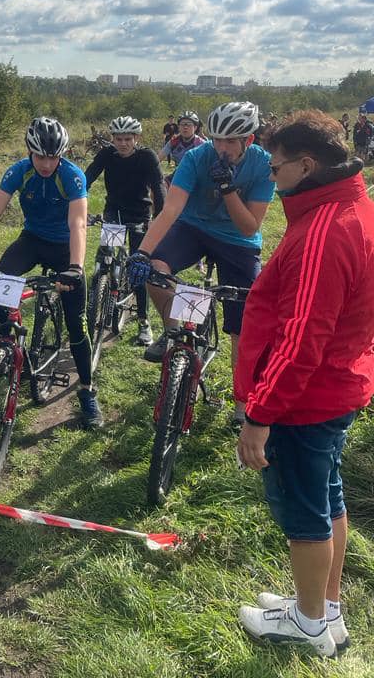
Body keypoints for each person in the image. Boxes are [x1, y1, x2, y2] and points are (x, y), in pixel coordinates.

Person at [235, 111, 374, 657]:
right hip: (336, 386)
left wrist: (259, 415)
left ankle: (309, 623)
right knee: (327, 496)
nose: (272, 178)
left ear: (307, 164)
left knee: (304, 511)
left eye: (276, 168)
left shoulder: (324, 231)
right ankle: (324, 606)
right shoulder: (352, 208)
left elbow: (301, 341)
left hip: (306, 400)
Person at [127, 102, 275, 428]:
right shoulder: (197, 157)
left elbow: (249, 226)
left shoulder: (263, 165)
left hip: (238, 240)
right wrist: (142, 253)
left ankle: (242, 404)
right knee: (154, 271)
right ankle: (173, 331)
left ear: (248, 140)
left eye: (230, 141)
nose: (221, 148)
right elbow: (171, 210)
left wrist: (228, 189)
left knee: (244, 326)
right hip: (193, 228)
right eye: (217, 139)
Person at [0, 117, 102, 429]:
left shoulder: (72, 176)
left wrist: (75, 267)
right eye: (40, 157)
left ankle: (87, 391)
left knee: (77, 324)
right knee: (1, 282)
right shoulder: (19, 171)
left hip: (65, 247)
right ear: (29, 152)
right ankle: (9, 344)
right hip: (33, 240)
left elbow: (78, 223)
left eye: (53, 157)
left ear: (61, 155)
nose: (46, 164)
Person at [84, 116, 165, 346]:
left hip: (140, 215)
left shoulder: (147, 156)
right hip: (114, 214)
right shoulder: (107, 154)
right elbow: (87, 178)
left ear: (136, 138)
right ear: (112, 139)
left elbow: (159, 187)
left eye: (128, 139)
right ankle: (97, 299)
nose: (123, 143)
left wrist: (158, 218)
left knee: (138, 269)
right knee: (104, 259)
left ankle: (143, 321)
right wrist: (79, 203)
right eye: (118, 139)